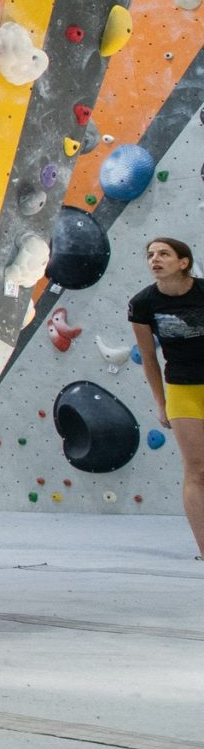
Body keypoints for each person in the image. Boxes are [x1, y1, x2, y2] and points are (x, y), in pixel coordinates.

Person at [127, 234, 204, 561]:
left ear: (183, 262)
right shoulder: (142, 303)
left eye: (164, 254)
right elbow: (149, 358)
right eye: (150, 255)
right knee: (197, 470)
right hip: (182, 389)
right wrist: (161, 403)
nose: (155, 259)